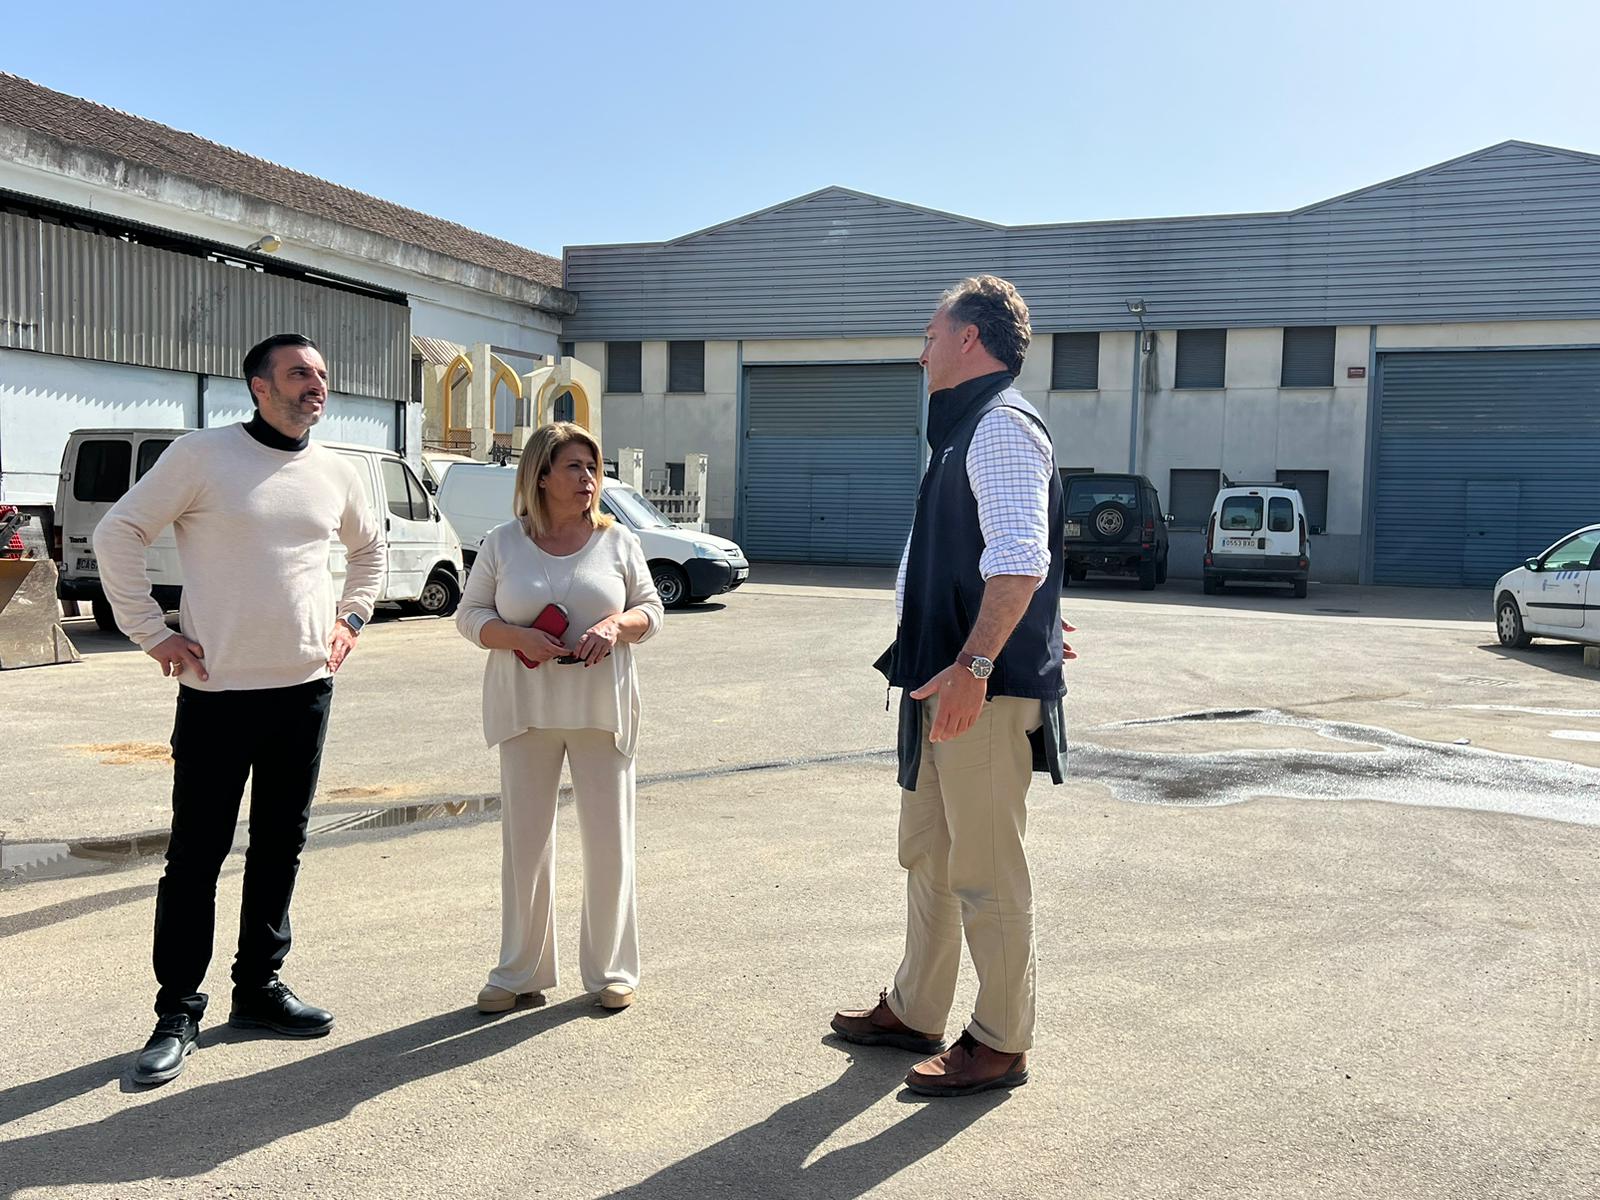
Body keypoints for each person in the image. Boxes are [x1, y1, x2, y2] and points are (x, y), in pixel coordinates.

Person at [95, 332, 385, 1086]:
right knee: (195, 857)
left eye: (322, 374)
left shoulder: (338, 470)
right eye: (298, 375)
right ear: (259, 386)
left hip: (304, 689)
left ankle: (258, 988)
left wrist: (350, 620)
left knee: (280, 847)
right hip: (217, 694)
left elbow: (370, 552)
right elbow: (117, 531)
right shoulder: (201, 456)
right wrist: (152, 633)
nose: (315, 385)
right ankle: (177, 1010)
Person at [832, 276, 1072, 1098]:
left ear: (970, 340)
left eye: (931, 332)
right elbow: (1003, 561)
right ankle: (916, 1007)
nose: (921, 348)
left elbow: (1019, 560)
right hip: (942, 676)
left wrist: (978, 665)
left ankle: (1002, 1039)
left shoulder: (1000, 426)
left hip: (977, 688)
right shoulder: (961, 431)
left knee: (985, 868)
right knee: (929, 855)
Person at [456, 422, 663, 1014]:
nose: (589, 480)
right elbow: (469, 616)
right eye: (575, 468)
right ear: (541, 476)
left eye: (593, 469)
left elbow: (652, 608)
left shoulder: (618, 541)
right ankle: (520, 970)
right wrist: (516, 635)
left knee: (609, 842)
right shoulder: (503, 543)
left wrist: (615, 627)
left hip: (602, 710)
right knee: (525, 847)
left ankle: (613, 971)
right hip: (526, 710)